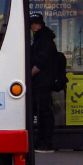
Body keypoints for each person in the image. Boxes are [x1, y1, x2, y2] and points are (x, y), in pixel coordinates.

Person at [29, 13, 65, 151]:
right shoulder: (42, 38)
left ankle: (45, 142)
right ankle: (42, 141)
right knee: (42, 111)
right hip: (43, 80)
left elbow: (41, 62)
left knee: (44, 112)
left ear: (41, 24)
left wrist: (29, 75)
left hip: (43, 81)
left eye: (36, 23)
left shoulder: (44, 40)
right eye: (32, 23)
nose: (34, 26)